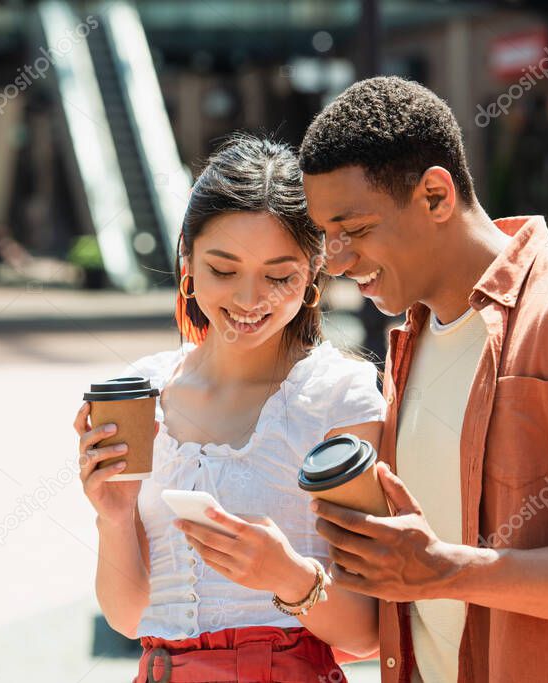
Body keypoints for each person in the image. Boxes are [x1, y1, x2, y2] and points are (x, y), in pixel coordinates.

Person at [298, 76, 548, 683]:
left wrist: (448, 569)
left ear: (436, 196)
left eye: (353, 230)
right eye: (325, 237)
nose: (336, 261)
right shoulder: (410, 340)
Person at [74, 135, 386, 682]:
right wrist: (113, 515)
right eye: (223, 270)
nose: (248, 299)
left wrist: (287, 576)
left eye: (279, 275)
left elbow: (366, 634)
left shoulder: (343, 397)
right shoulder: (143, 390)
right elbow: (127, 616)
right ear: (188, 261)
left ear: (314, 272)